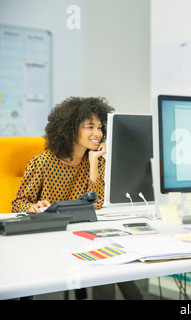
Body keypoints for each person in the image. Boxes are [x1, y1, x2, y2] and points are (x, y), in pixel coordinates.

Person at [12, 96, 143, 300]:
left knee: (117, 256)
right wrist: (35, 206)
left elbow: (97, 202)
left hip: (81, 233)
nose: (97, 133)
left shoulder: (95, 162)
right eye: (90, 127)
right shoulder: (42, 163)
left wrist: (93, 161)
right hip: (49, 237)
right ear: (71, 129)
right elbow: (18, 204)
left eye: (100, 127)